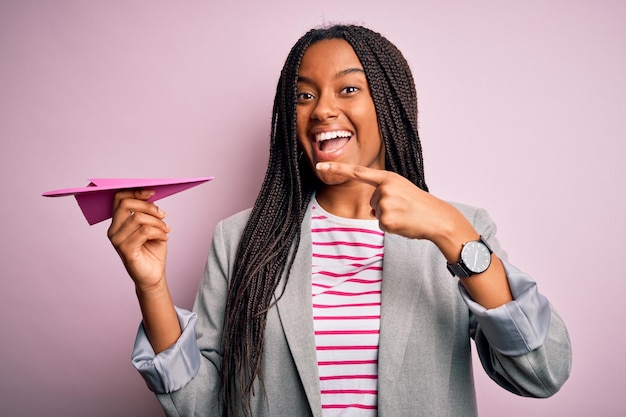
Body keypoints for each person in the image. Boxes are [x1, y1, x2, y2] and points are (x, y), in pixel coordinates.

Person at [108, 24, 571, 417]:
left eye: (348, 89)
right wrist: (151, 287)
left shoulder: (460, 228)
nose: (321, 110)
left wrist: (451, 233)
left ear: (389, 104)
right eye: (303, 95)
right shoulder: (239, 239)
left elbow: (542, 372)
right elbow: (202, 405)